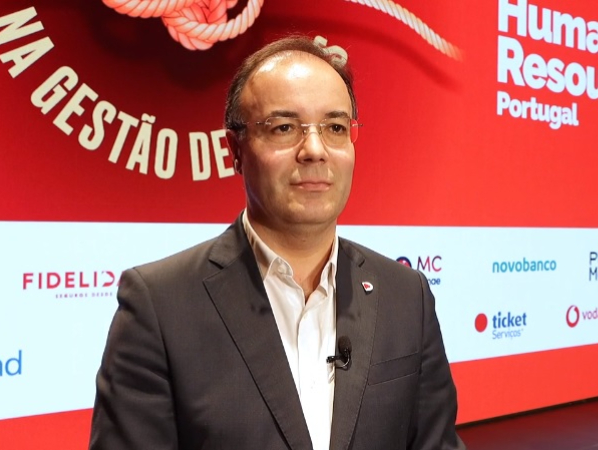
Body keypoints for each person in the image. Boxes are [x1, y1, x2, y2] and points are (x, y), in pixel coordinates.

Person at [89, 36, 465, 450]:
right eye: (284, 128)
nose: (315, 150)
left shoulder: (406, 296)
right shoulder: (159, 307)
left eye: (335, 128)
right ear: (235, 149)